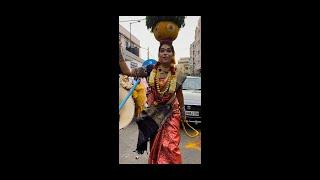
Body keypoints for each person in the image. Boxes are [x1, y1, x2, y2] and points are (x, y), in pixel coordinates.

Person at [119, 40, 186, 164]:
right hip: (155, 115)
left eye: (168, 51)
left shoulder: (178, 73)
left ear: (173, 54)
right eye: (162, 50)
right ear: (158, 54)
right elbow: (127, 72)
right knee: (156, 146)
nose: (165, 53)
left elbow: (179, 94)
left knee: (171, 146)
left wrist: (183, 113)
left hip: (172, 114)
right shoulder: (150, 70)